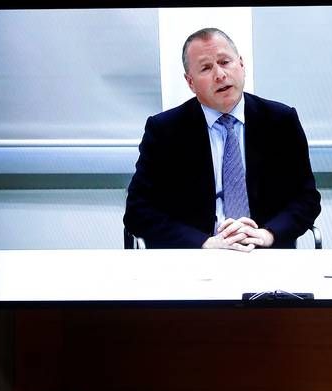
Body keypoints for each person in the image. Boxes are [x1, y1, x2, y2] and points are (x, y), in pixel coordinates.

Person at [124, 28, 321, 250]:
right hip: (197, 255)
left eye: (225, 62)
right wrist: (204, 243)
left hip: (266, 253)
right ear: (190, 82)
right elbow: (137, 210)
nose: (220, 75)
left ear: (242, 65)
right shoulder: (165, 131)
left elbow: (307, 199)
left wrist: (268, 234)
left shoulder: (280, 121)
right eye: (206, 68)